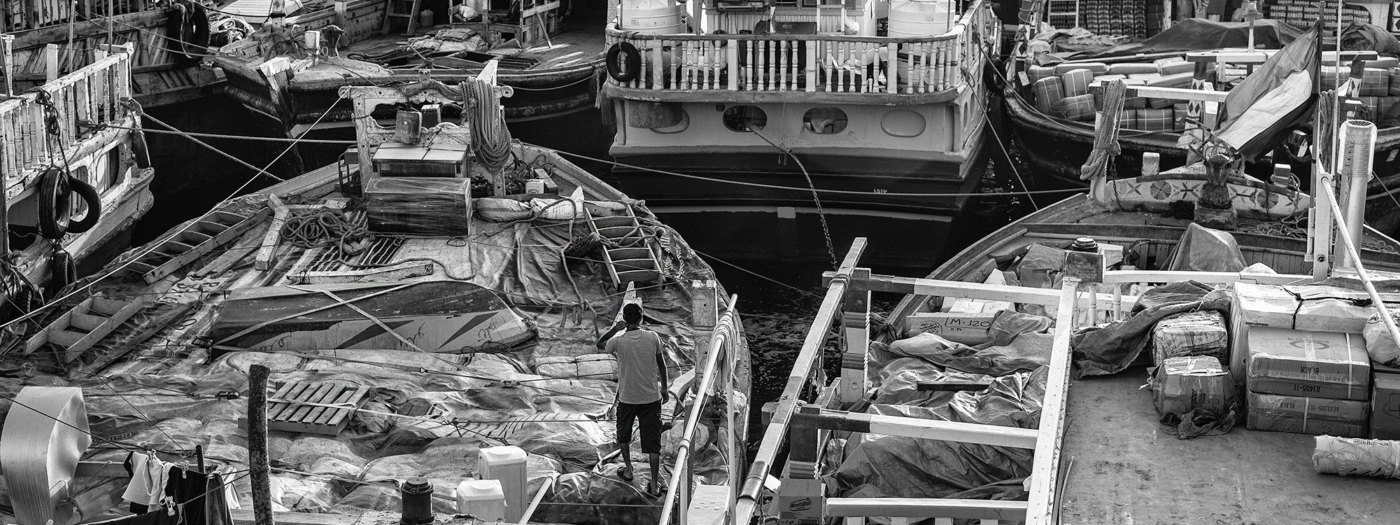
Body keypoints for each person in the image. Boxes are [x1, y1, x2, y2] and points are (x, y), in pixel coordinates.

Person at [596, 303, 670, 496]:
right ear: (642, 317)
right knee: (653, 443)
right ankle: (654, 483)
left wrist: (615, 329)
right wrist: (665, 389)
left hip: (627, 399)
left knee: (623, 435)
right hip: (651, 399)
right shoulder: (653, 337)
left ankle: (628, 469)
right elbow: (662, 366)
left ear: (625, 319)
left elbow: (599, 344)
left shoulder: (618, 341)